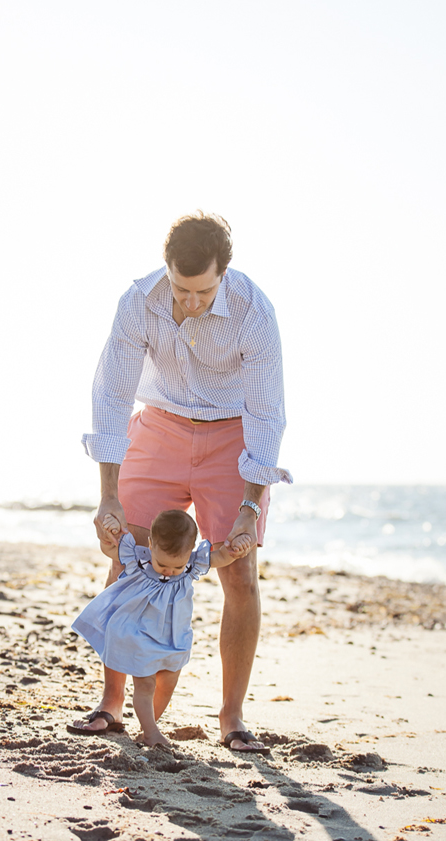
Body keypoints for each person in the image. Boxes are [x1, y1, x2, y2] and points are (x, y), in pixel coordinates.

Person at [73, 212, 292, 752]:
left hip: (231, 435)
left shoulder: (253, 311)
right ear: (166, 270)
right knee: (127, 561)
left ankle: (232, 718)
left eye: (202, 291)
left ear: (224, 274)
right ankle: (111, 704)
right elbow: (112, 395)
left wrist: (250, 505)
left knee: (238, 574)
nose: (189, 302)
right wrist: (106, 497)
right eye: (179, 288)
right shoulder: (138, 303)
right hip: (161, 428)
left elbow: (267, 414)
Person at [70, 510, 253, 750]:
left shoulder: (191, 565)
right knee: (145, 685)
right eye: (162, 564)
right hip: (139, 636)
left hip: (173, 639)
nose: (168, 571)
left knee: (168, 681)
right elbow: (111, 550)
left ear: (189, 553)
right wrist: (109, 535)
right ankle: (150, 732)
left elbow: (219, 558)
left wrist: (235, 549)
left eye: (177, 566)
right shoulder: (139, 561)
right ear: (151, 545)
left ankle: (148, 725)